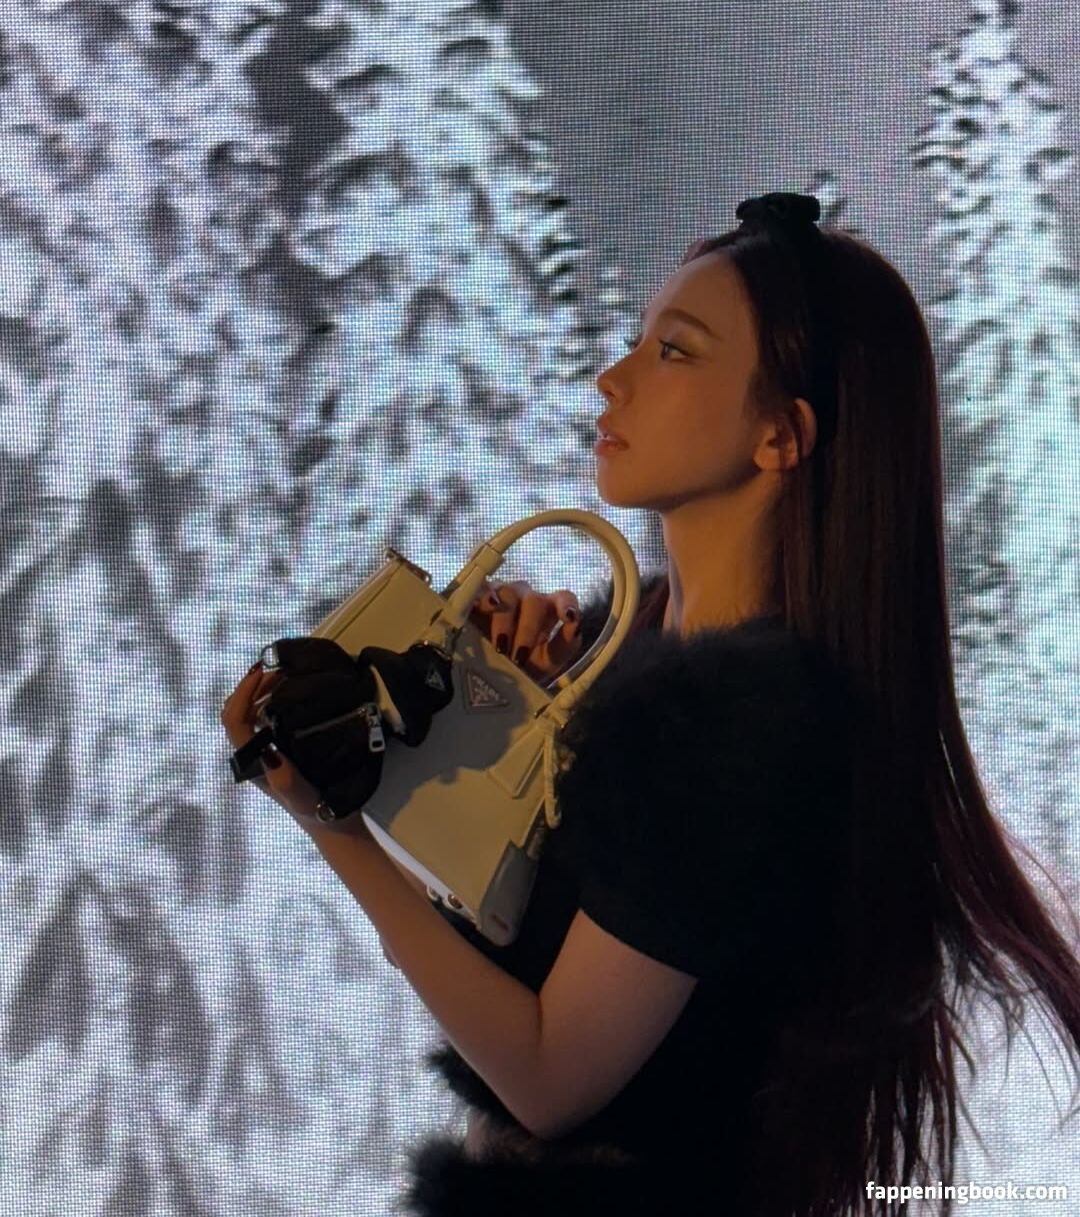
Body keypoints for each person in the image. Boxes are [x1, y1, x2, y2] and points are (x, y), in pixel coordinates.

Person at [222, 192, 1080, 1216]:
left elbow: (551, 1077)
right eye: (637, 339)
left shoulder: (733, 722)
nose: (613, 378)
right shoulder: (652, 664)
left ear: (781, 435)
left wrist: (329, 818)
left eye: (674, 351)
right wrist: (531, 710)